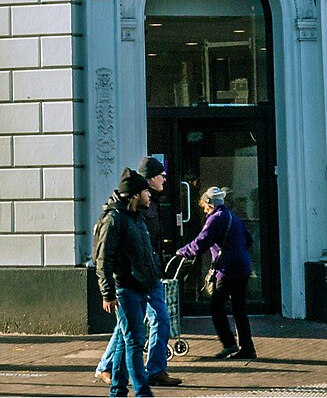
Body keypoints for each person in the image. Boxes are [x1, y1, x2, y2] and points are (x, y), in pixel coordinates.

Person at [99, 157, 178, 388]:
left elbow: (148, 245)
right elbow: (106, 257)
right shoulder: (123, 216)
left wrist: (155, 268)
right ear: (149, 181)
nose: (164, 179)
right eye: (161, 175)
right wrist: (108, 292)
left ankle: (152, 371)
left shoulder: (145, 207)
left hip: (149, 277)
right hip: (131, 281)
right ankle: (124, 379)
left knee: (151, 324)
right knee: (131, 336)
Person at [94, 169, 159, 398]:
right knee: (134, 341)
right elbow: (103, 258)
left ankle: (118, 391)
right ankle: (142, 392)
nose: (149, 195)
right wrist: (107, 293)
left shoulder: (136, 217)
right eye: (145, 191)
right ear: (133, 195)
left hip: (141, 287)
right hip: (126, 289)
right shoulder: (114, 219)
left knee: (124, 339)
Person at [175, 187, 254, 361]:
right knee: (239, 309)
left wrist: (182, 251)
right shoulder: (234, 217)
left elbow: (201, 243)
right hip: (243, 268)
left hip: (227, 270)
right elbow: (249, 239)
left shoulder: (215, 219)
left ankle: (229, 343)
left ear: (210, 204)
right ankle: (247, 347)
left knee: (216, 306)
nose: (204, 210)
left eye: (204, 206)